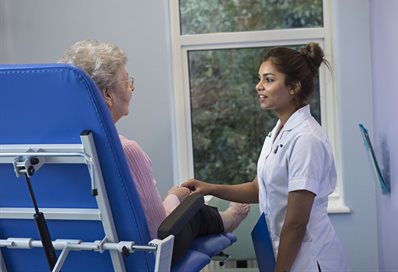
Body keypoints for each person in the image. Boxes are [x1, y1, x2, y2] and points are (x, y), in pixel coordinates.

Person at [58, 40, 249, 263]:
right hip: (138, 258)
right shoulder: (127, 151)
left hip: (76, 256)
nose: (132, 87)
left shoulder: (55, 153)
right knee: (192, 209)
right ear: (107, 95)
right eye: (127, 81)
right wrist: (174, 197)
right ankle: (229, 218)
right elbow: (158, 232)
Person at [182, 43, 349, 271]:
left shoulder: (307, 139)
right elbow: (261, 188)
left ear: (293, 87)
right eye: (260, 79)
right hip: (286, 254)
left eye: (268, 80)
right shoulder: (277, 132)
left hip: (311, 260)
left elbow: (297, 223)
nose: (259, 86)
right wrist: (209, 188)